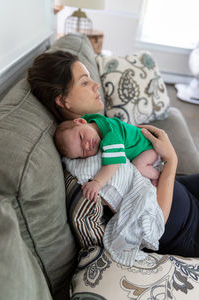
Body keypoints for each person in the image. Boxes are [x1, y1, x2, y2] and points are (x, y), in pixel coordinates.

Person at [28, 50, 199, 258]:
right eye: (84, 82)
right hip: (188, 229)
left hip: (185, 189)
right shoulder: (86, 160)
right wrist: (172, 160)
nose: (96, 85)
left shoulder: (93, 129)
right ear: (63, 101)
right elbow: (154, 223)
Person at [54, 113, 162, 202]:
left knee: (138, 165)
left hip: (150, 148)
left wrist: (97, 182)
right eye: (83, 151)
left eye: (81, 137)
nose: (87, 146)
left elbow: (113, 164)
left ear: (81, 121)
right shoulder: (93, 120)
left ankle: (157, 176)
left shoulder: (110, 136)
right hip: (146, 146)